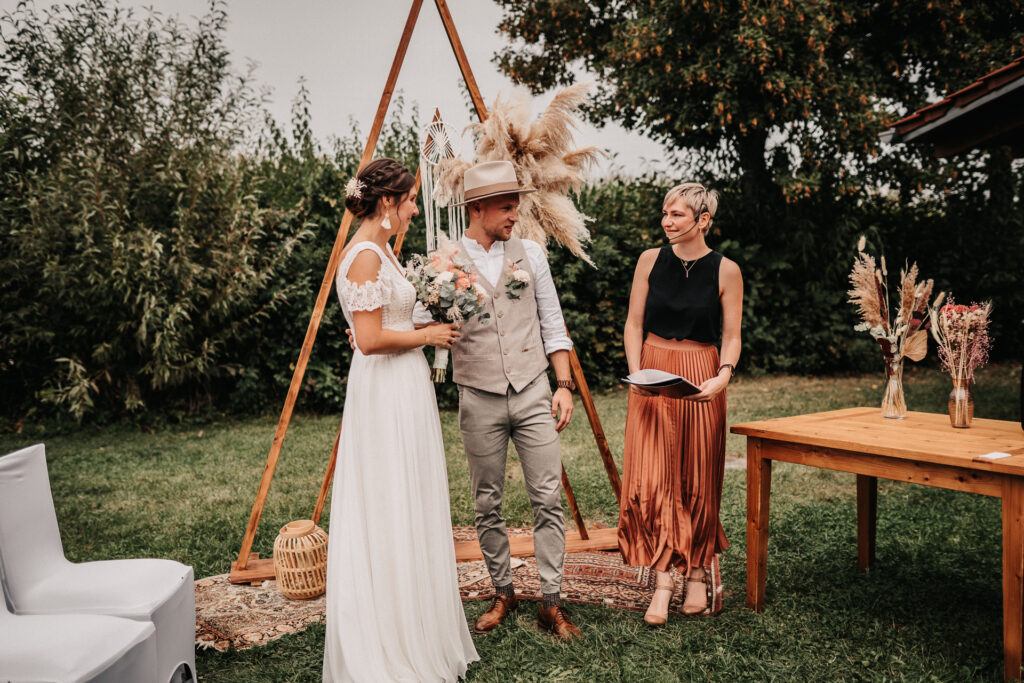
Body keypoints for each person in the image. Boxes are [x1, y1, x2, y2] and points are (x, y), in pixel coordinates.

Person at [323, 158, 478, 681]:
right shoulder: (366, 255)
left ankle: (415, 621)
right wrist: (427, 336)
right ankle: (387, 639)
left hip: (404, 384)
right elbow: (369, 340)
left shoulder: (382, 251)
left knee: (407, 495)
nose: (415, 209)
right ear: (388, 201)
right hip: (385, 391)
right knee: (389, 498)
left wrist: (435, 311)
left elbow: (382, 320)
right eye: (410, 200)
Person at [414, 160, 581, 639]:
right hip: (477, 396)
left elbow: (553, 322)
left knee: (547, 497)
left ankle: (552, 602)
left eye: (516, 205)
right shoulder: (443, 262)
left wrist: (564, 385)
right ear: (478, 208)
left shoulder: (532, 254)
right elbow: (418, 322)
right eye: (507, 207)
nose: (515, 214)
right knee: (487, 502)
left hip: (533, 390)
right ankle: (503, 592)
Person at [617, 182, 743, 625]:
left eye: (677, 214)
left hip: (701, 371)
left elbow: (732, 335)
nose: (667, 222)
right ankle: (662, 582)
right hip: (652, 369)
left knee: (698, 476)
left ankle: (696, 575)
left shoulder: (726, 270)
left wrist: (723, 376)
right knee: (652, 479)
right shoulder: (649, 260)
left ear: (703, 220)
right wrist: (636, 372)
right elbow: (633, 324)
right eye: (665, 213)